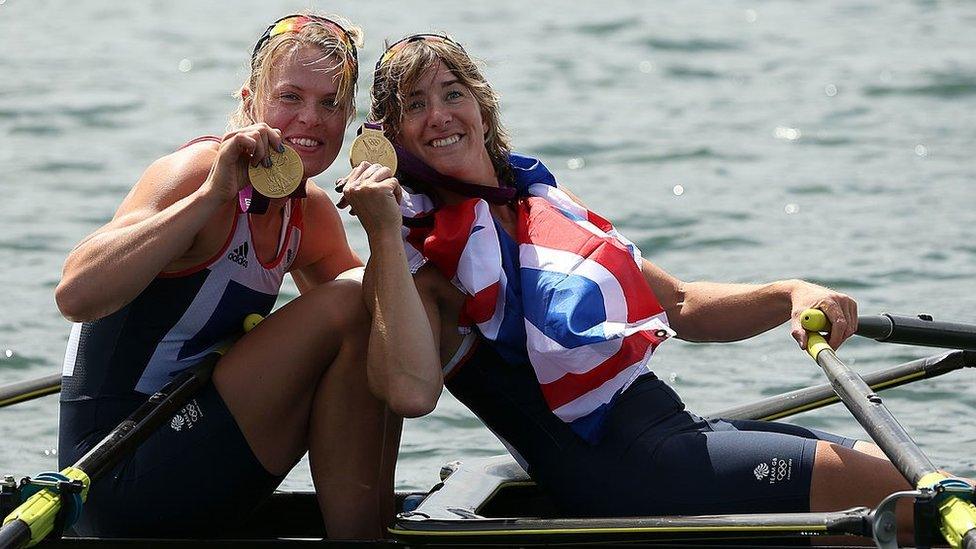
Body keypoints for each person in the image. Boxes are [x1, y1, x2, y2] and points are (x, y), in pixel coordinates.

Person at [342, 33, 944, 543]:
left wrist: (789, 291)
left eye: (453, 93)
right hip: (631, 471)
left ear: (482, 106)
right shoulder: (422, 259)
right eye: (415, 105)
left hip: (677, 434)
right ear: (392, 136)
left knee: (908, 491)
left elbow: (680, 305)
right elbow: (411, 392)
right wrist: (385, 236)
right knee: (926, 504)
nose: (441, 115)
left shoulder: (537, 203)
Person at [55, 13, 398, 539]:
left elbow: (387, 338)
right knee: (347, 303)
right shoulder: (195, 171)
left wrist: (393, 231)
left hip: (205, 460)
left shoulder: (309, 213)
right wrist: (210, 196)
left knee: (372, 318)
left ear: (349, 117)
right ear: (252, 99)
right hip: (111, 477)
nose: (310, 118)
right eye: (290, 97)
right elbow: (76, 295)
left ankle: (367, 528)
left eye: (330, 104)